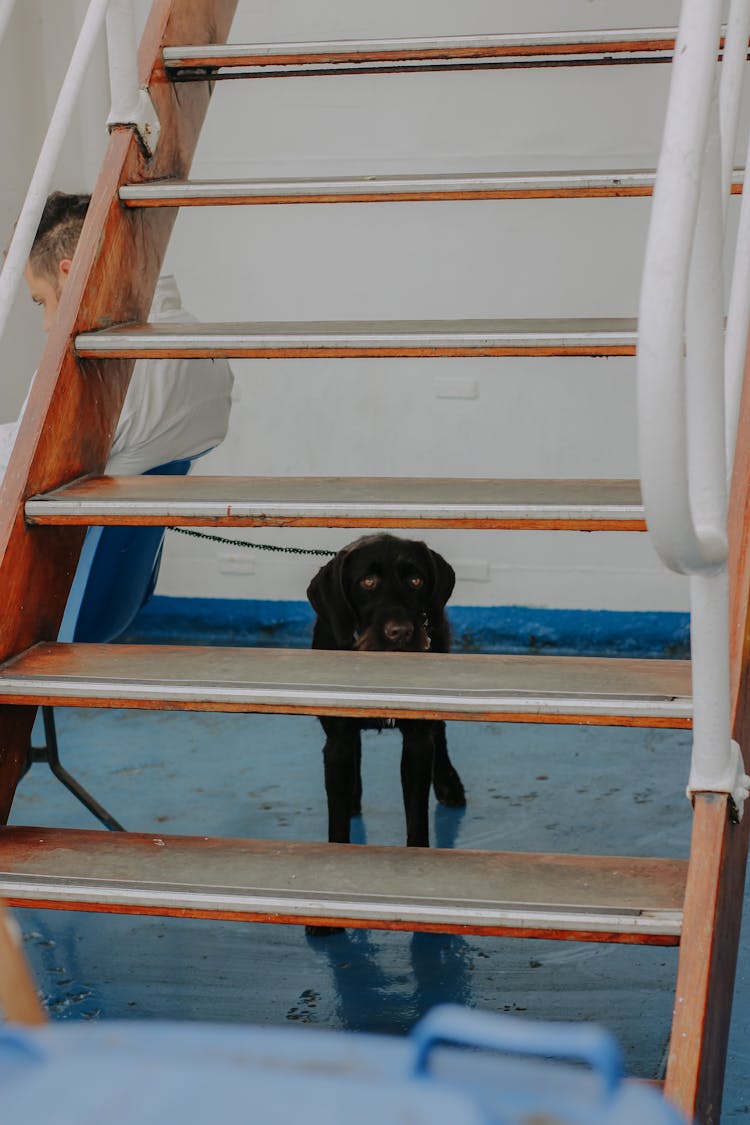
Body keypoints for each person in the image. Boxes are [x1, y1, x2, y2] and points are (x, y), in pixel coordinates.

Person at [0, 190, 234, 479]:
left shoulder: (96, 368)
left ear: (68, 273)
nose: (48, 324)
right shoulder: (206, 349)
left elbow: (21, 467)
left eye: (42, 301)